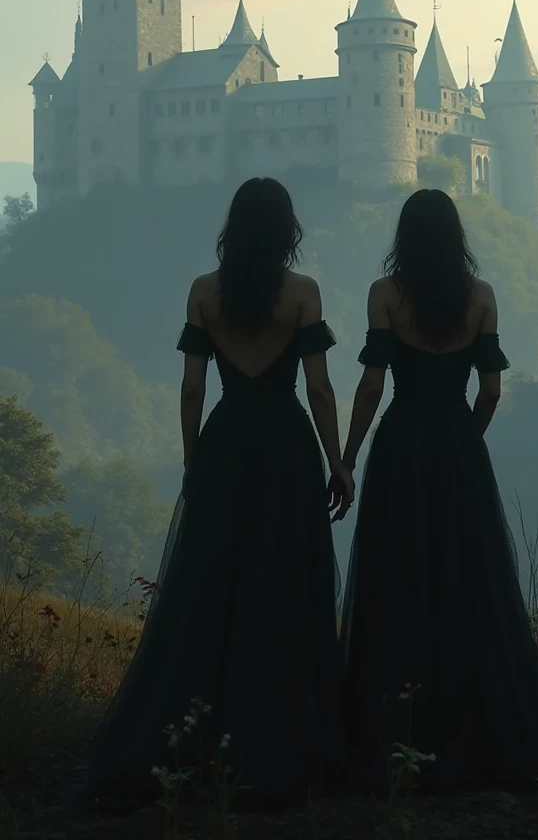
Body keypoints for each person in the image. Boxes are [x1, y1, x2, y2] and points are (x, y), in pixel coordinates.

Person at [83, 177, 354, 813]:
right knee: (284, 576)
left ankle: (198, 729)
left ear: (234, 226)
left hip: (227, 439)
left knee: (216, 580)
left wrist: (191, 455)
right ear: (286, 227)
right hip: (287, 446)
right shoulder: (303, 293)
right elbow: (318, 389)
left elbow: (190, 387)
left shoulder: (205, 292)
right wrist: (337, 460)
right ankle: (288, 730)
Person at [338, 189, 538, 793]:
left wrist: (346, 458)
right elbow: (492, 391)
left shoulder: (385, 295)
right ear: (456, 238)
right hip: (457, 444)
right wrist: (465, 440)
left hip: (400, 446)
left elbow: (372, 387)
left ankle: (393, 729)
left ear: (405, 236)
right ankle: (473, 723)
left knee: (398, 575)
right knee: (466, 577)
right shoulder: (481, 297)